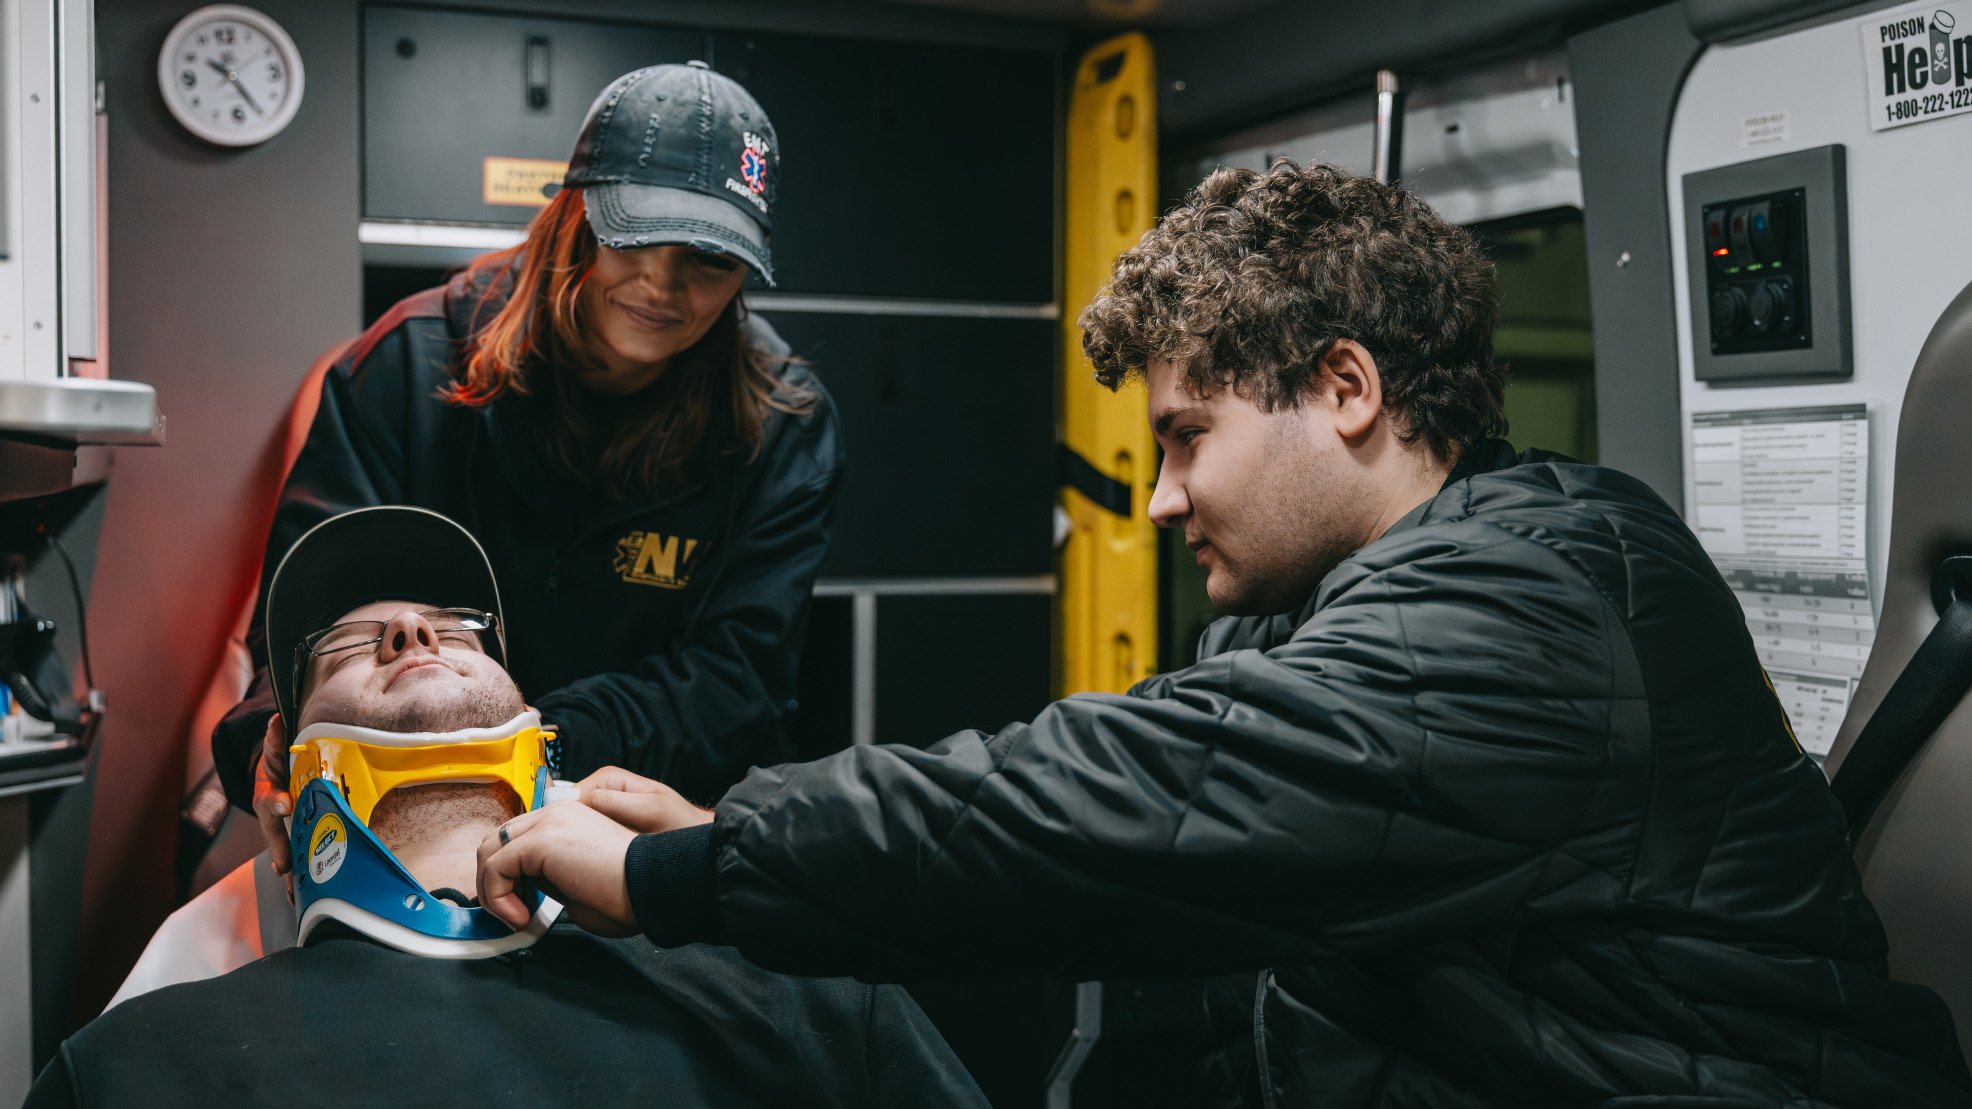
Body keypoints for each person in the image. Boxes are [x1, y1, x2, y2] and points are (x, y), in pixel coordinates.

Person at [479, 162, 1972, 1106]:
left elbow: (1112, 807)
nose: (1163, 492)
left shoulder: (1542, 605)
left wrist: (684, 868)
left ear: (1343, 387)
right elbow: (1134, 864)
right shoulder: (1311, 617)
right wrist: (734, 824)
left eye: (1188, 434)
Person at [27, 506, 983, 1108]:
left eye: (457, 632)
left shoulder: (805, 992)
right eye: (353, 645)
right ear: (290, 773)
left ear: (536, 726)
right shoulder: (136, 1068)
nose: (413, 630)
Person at [209, 61, 843, 882]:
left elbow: (735, 683)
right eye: (635, 235)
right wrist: (271, 742)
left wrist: (531, 748)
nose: (662, 282)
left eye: (707, 261)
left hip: (643, 839)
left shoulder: (782, 422)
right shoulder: (406, 368)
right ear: (570, 213)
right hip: (404, 822)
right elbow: (305, 624)